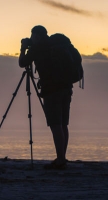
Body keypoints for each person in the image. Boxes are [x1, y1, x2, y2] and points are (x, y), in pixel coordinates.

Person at [19, 25, 73, 169]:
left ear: (36, 36)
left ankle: (61, 159)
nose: (31, 39)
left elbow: (22, 63)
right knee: (63, 124)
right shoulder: (55, 45)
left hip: (52, 91)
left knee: (55, 124)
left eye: (32, 36)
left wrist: (23, 49)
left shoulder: (37, 48)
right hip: (66, 88)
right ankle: (62, 157)